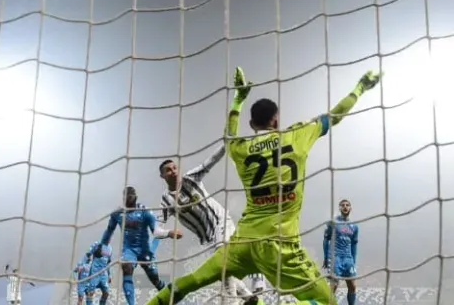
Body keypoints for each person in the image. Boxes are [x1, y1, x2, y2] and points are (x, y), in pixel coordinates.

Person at [146, 67, 380, 305]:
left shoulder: (241, 148)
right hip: (281, 244)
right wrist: (360, 87)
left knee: (192, 281)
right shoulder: (297, 135)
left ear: (251, 123)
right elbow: (335, 115)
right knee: (328, 302)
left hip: (242, 243)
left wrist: (238, 99)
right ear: (276, 120)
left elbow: (228, 136)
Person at [159, 146, 262, 304]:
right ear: (162, 176)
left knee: (223, 264)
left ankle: (232, 302)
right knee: (221, 273)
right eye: (168, 170)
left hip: (221, 222)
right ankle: (249, 298)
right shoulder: (166, 201)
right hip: (207, 239)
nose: (173, 171)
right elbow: (156, 227)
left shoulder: (190, 179)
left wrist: (226, 145)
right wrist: (168, 233)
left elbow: (211, 161)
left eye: (174, 168)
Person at [100, 186, 182, 305]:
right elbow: (109, 230)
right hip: (128, 250)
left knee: (155, 279)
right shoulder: (117, 214)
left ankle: (164, 290)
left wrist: (169, 233)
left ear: (136, 198)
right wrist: (102, 245)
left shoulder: (145, 211)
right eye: (126, 196)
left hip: (144, 250)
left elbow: (156, 231)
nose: (128, 199)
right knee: (126, 267)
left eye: (131, 197)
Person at [323, 199, 359, 305]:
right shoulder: (333, 223)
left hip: (348, 259)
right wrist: (326, 257)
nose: (345, 207)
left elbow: (354, 244)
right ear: (339, 208)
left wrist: (354, 260)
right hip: (335, 257)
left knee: (352, 286)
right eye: (342, 205)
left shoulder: (354, 226)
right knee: (333, 286)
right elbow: (326, 239)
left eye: (347, 205)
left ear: (350, 208)